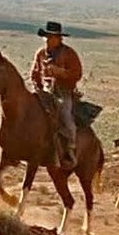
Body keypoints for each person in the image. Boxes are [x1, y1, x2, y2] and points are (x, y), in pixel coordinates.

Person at [29, 21, 83, 169]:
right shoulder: (40, 53)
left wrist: (60, 72)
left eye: (51, 37)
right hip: (44, 92)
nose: (47, 39)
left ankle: (70, 149)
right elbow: (34, 73)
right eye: (46, 36)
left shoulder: (69, 53)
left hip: (63, 92)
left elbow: (77, 74)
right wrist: (36, 87)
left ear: (59, 38)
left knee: (67, 119)